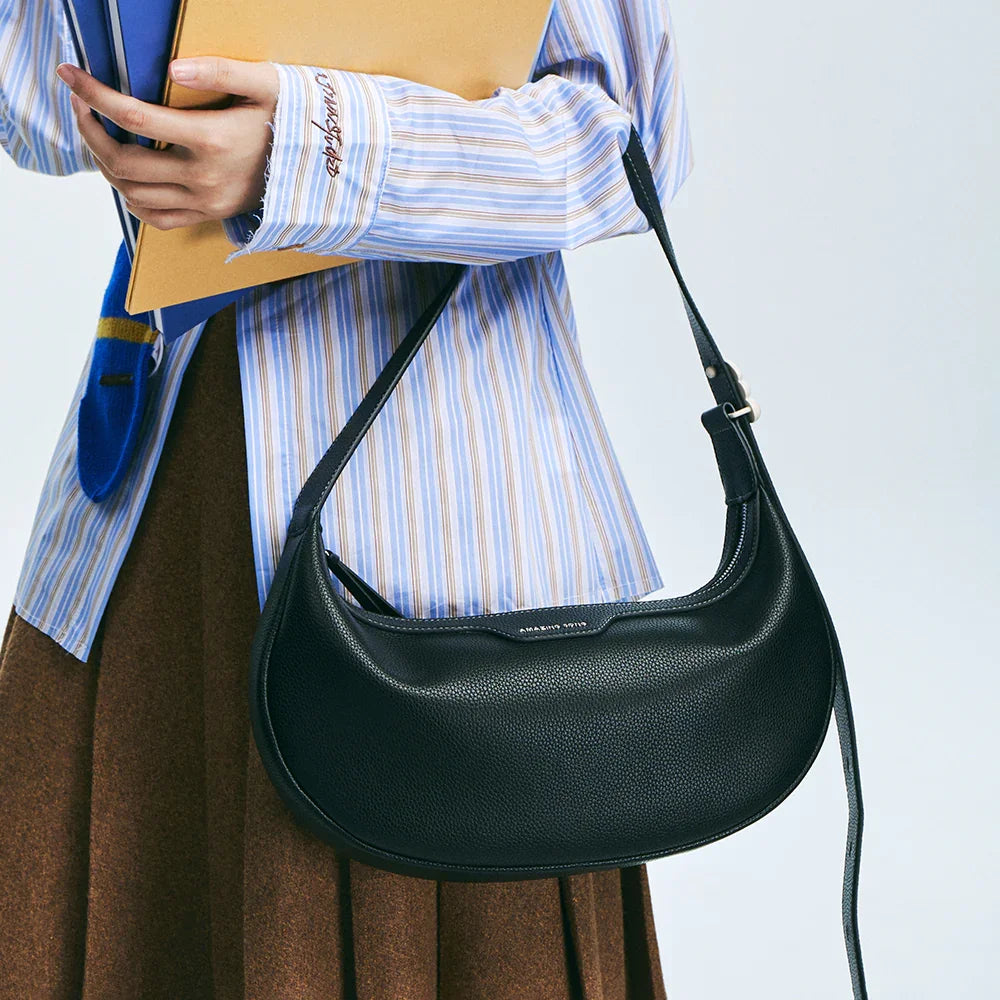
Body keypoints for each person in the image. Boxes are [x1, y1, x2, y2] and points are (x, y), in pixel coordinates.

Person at [0, 0, 692, 996]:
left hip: (436, 523)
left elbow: (631, 139)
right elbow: (31, 112)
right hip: (166, 496)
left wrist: (313, 148)